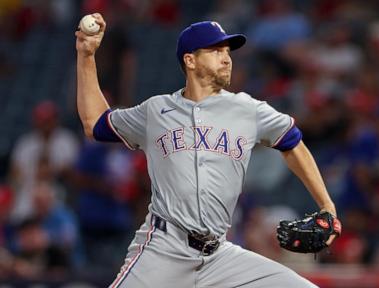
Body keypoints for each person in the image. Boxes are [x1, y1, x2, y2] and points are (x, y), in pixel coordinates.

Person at [75, 13, 338, 288]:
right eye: (215, 51)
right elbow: (95, 123)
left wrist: (326, 205)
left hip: (220, 256)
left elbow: (292, 142)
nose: (226, 58)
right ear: (190, 60)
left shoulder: (249, 109)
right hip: (165, 249)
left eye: (227, 51)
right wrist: (86, 56)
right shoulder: (156, 111)